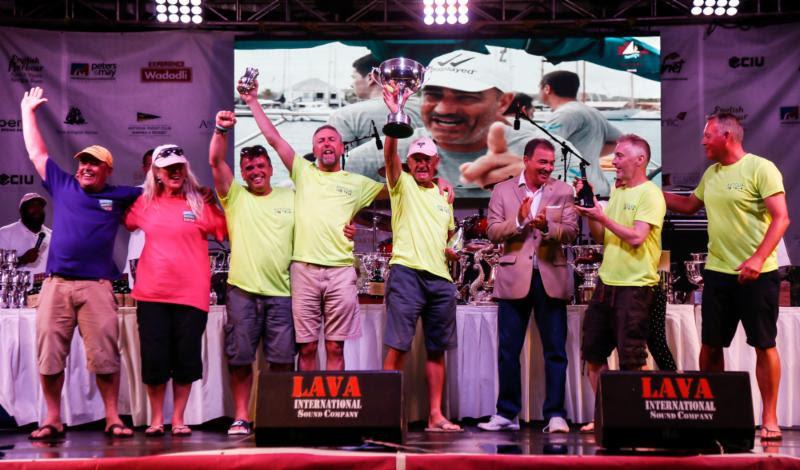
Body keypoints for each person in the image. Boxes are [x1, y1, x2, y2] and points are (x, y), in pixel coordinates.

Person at [240, 78, 384, 372]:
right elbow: (274, 139)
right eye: (321, 140)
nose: (327, 143)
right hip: (304, 269)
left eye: (332, 139)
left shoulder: (357, 183)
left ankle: (333, 411)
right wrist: (253, 101)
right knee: (305, 347)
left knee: (335, 346)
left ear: (342, 147)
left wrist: (436, 182)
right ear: (314, 149)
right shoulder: (302, 172)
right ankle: (309, 414)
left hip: (341, 271)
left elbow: (396, 184)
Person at [21, 86, 138, 440]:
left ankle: (113, 418)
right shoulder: (64, 184)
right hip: (56, 284)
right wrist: (28, 112)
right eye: (82, 163)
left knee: (105, 355)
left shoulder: (121, 195)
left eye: (93, 163)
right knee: (49, 354)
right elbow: (37, 152)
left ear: (107, 170)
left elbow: (162, 191)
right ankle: (53, 419)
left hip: (97, 286)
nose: (85, 168)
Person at [663, 113, 790, 442]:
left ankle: (770, 417)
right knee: (711, 344)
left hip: (758, 274)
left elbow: (781, 219)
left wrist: (758, 258)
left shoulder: (761, 168)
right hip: (718, 273)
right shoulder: (712, 173)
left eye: (708, 136)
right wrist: (647, 192)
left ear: (727, 137)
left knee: (764, 344)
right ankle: (713, 413)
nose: (703, 141)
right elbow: (690, 205)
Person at [346, 50, 581, 197]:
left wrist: (533, 184)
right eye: (434, 95)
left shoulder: (553, 152)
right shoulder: (372, 156)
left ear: (503, 102)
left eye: (465, 97)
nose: (444, 109)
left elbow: (576, 211)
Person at [123, 144, 227, 437]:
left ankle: (178, 418)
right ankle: (157, 418)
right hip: (152, 294)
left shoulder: (198, 203)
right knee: (155, 360)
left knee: (186, 359)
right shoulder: (143, 203)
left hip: (191, 296)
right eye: (168, 168)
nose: (175, 172)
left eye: (179, 166)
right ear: (156, 173)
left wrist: (214, 201)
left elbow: (225, 229)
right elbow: (124, 220)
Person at [479, 138, 578, 433]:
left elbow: (572, 232)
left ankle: (556, 414)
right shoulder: (502, 190)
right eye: (542, 162)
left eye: (551, 163)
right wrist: (520, 221)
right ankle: (506, 413)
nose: (547, 168)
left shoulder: (564, 191)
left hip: (551, 277)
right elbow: (494, 232)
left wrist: (548, 227)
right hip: (513, 279)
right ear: (526, 160)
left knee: (555, 351)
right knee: (509, 350)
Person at [209, 111, 296, 436]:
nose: (256, 171)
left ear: (271, 169)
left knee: (283, 359)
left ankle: (277, 414)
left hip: (283, 293)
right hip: (243, 291)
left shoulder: (291, 196)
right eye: (249, 168)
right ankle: (242, 416)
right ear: (243, 174)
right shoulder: (235, 197)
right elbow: (216, 162)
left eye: (261, 166)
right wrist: (220, 130)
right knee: (241, 357)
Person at [379, 88, 461, 432]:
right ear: (410, 164)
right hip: (407, 274)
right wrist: (395, 117)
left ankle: (435, 416)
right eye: (417, 160)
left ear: (436, 162)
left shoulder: (445, 195)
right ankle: (384, 414)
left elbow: (449, 237)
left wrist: (452, 249)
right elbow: (390, 156)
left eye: (428, 160)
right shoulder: (402, 185)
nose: (423, 165)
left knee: (436, 349)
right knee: (398, 346)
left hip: (440, 279)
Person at [575, 134, 665, 432]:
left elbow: (638, 236)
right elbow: (603, 237)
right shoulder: (618, 191)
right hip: (606, 284)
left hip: (636, 287)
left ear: (640, 160)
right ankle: (607, 416)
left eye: (620, 156)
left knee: (632, 359)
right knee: (593, 353)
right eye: (614, 156)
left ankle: (635, 422)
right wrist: (591, 214)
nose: (613, 161)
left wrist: (605, 217)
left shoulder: (650, 194)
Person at [539, 70, 622, 197]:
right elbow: (619, 140)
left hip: (574, 192)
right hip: (598, 190)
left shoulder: (565, 114)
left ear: (547, 89)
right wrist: (588, 154)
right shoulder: (592, 112)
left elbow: (538, 149)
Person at [328, 53, 423, 144]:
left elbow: (338, 159)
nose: (352, 84)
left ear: (371, 78)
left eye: (354, 77)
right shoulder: (427, 110)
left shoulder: (344, 116)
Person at [0, 193, 51, 276]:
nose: (37, 209)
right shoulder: (5, 233)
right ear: (21, 211)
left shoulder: (52, 235)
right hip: (17, 288)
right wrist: (22, 259)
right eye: (32, 206)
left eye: (40, 206)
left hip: (46, 288)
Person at [123, 148, 153, 288]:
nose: (155, 170)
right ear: (144, 168)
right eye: (150, 165)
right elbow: (128, 222)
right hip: (139, 257)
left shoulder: (178, 196)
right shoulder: (134, 194)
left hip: (167, 260)